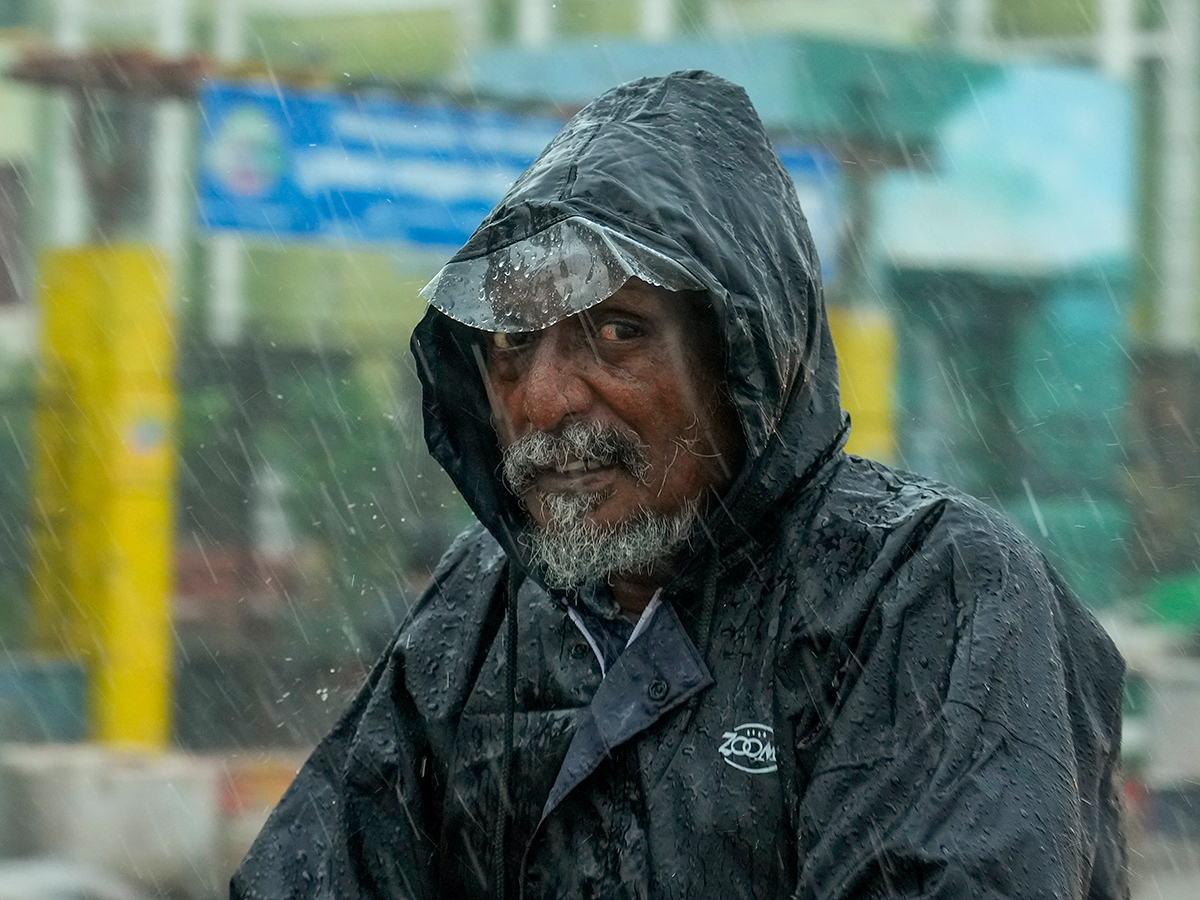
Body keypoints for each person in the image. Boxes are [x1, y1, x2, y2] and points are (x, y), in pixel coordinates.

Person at [232, 71, 1127, 900]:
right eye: (511, 342)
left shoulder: (928, 591)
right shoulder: (484, 608)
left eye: (617, 332)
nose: (544, 399)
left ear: (743, 357)